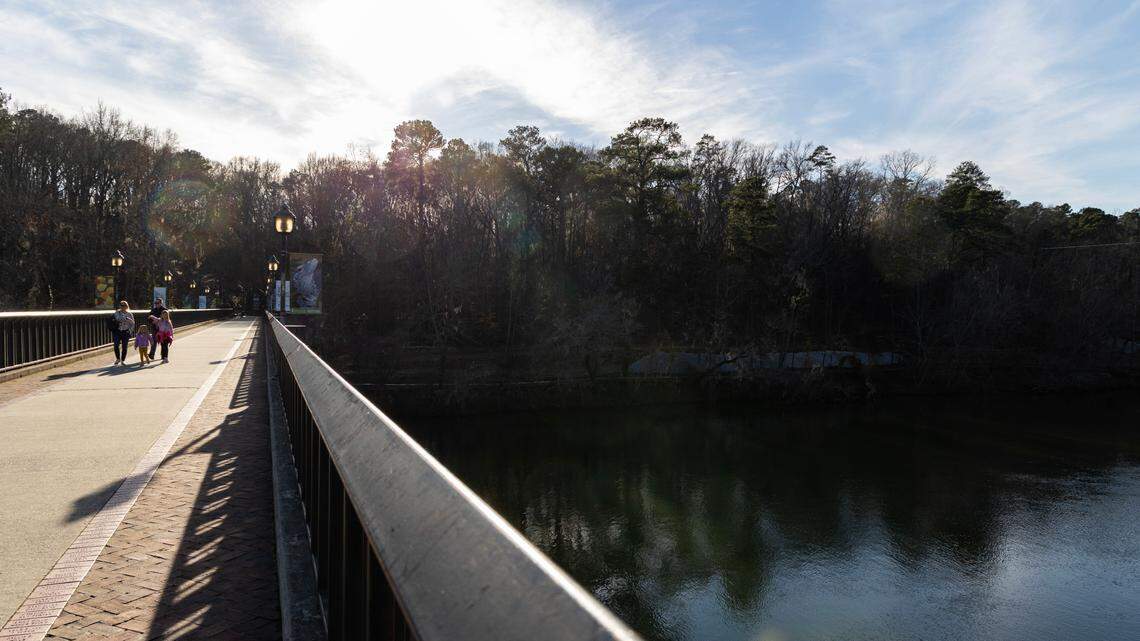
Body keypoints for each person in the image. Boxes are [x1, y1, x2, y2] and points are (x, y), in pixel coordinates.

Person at [111, 301, 135, 365]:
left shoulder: (129, 314)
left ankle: (123, 360)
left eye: (124, 305)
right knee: (116, 345)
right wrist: (125, 318)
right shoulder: (116, 313)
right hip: (117, 331)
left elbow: (132, 323)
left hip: (125, 331)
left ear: (127, 306)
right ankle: (118, 359)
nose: (122, 307)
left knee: (124, 347)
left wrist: (130, 331)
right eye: (121, 305)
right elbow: (117, 319)